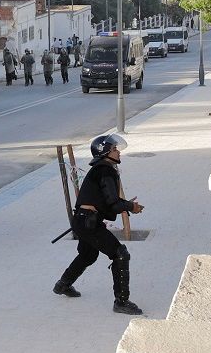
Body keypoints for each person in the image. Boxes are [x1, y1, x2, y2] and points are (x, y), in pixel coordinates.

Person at [54, 134, 145, 316]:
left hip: (83, 220)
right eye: (114, 149)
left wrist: (125, 204)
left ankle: (63, 285)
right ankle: (121, 301)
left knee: (88, 255)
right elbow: (113, 203)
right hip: (88, 222)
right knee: (120, 254)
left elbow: (106, 200)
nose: (118, 152)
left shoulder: (100, 169)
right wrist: (131, 207)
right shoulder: (106, 170)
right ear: (105, 153)